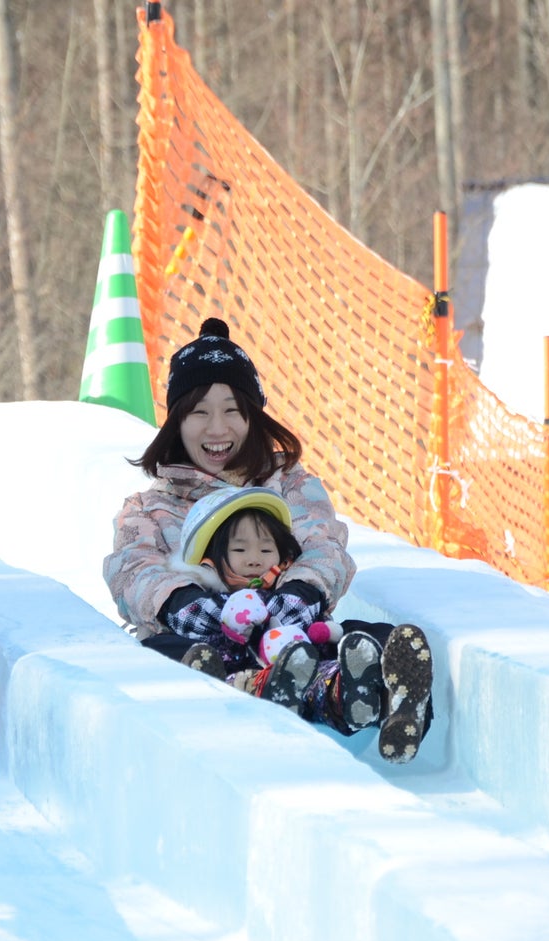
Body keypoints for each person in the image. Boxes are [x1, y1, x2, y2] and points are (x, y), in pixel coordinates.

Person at [105, 317, 433, 763]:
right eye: (199, 411)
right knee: (158, 653)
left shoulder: (289, 485)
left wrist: (299, 592)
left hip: (288, 633)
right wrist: (179, 603)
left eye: (232, 411)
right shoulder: (149, 506)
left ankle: (373, 698)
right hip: (200, 643)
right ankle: (250, 686)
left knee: (372, 636)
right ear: (177, 423)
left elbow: (323, 544)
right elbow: (132, 569)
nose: (216, 428)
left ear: (252, 417)